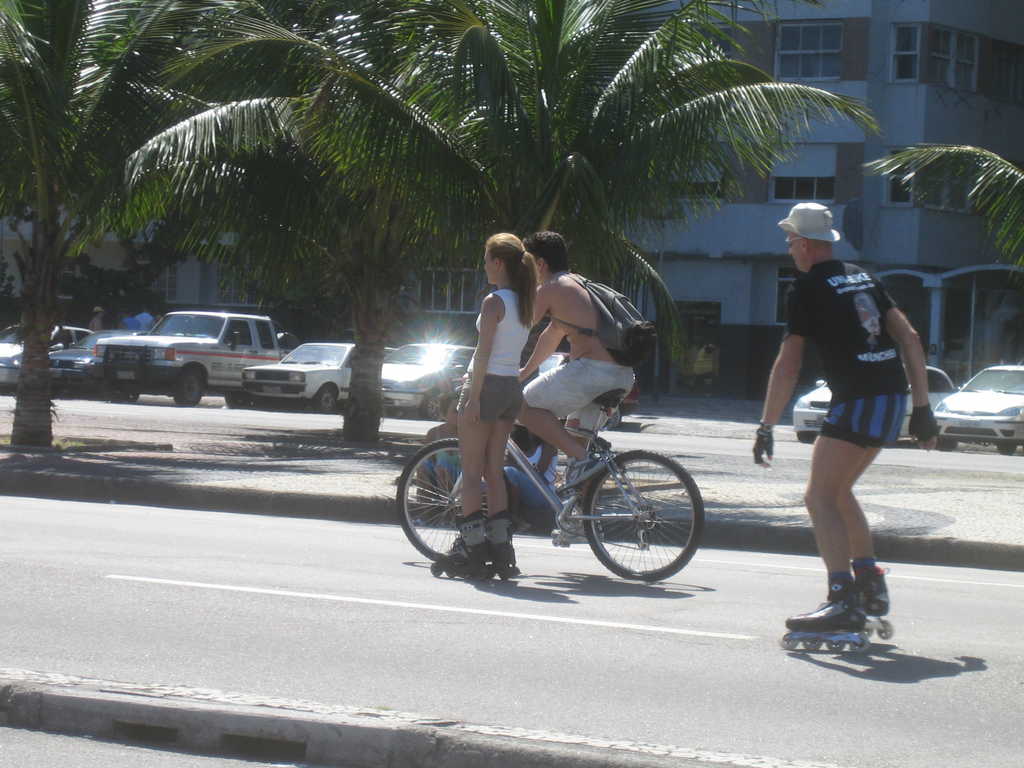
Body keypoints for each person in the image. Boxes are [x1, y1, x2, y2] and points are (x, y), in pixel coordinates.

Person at [755, 202, 938, 637]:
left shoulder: (806, 288)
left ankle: (842, 600)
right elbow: (910, 338)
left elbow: (788, 365)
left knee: (818, 497)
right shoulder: (864, 276)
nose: (788, 248)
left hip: (857, 399)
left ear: (804, 244)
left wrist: (766, 425)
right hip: (889, 397)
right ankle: (868, 580)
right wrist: (922, 409)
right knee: (838, 493)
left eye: (790, 241)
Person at [445, 233, 537, 579]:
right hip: (511, 387)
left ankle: (474, 550)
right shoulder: (525, 302)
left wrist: (472, 396)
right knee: (493, 472)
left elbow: (483, 353)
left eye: (486, 260)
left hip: (486, 386)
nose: (484, 266)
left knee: (471, 473)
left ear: (498, 262)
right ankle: (502, 552)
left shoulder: (493, 302)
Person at [516, 231, 635, 484]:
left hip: (593, 372)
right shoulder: (579, 284)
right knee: (577, 454)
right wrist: (524, 372)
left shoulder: (550, 288)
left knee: (523, 406)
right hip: (621, 375)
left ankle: (584, 458)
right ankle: (582, 503)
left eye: (527, 263)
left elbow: (518, 328)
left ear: (540, 264)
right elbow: (550, 337)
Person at [504, 425, 558, 533]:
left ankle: (514, 517)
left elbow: (538, 473)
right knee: (503, 472)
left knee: (510, 472)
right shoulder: (515, 443)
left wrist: (517, 467)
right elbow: (506, 463)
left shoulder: (548, 444)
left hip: (544, 493)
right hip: (525, 488)